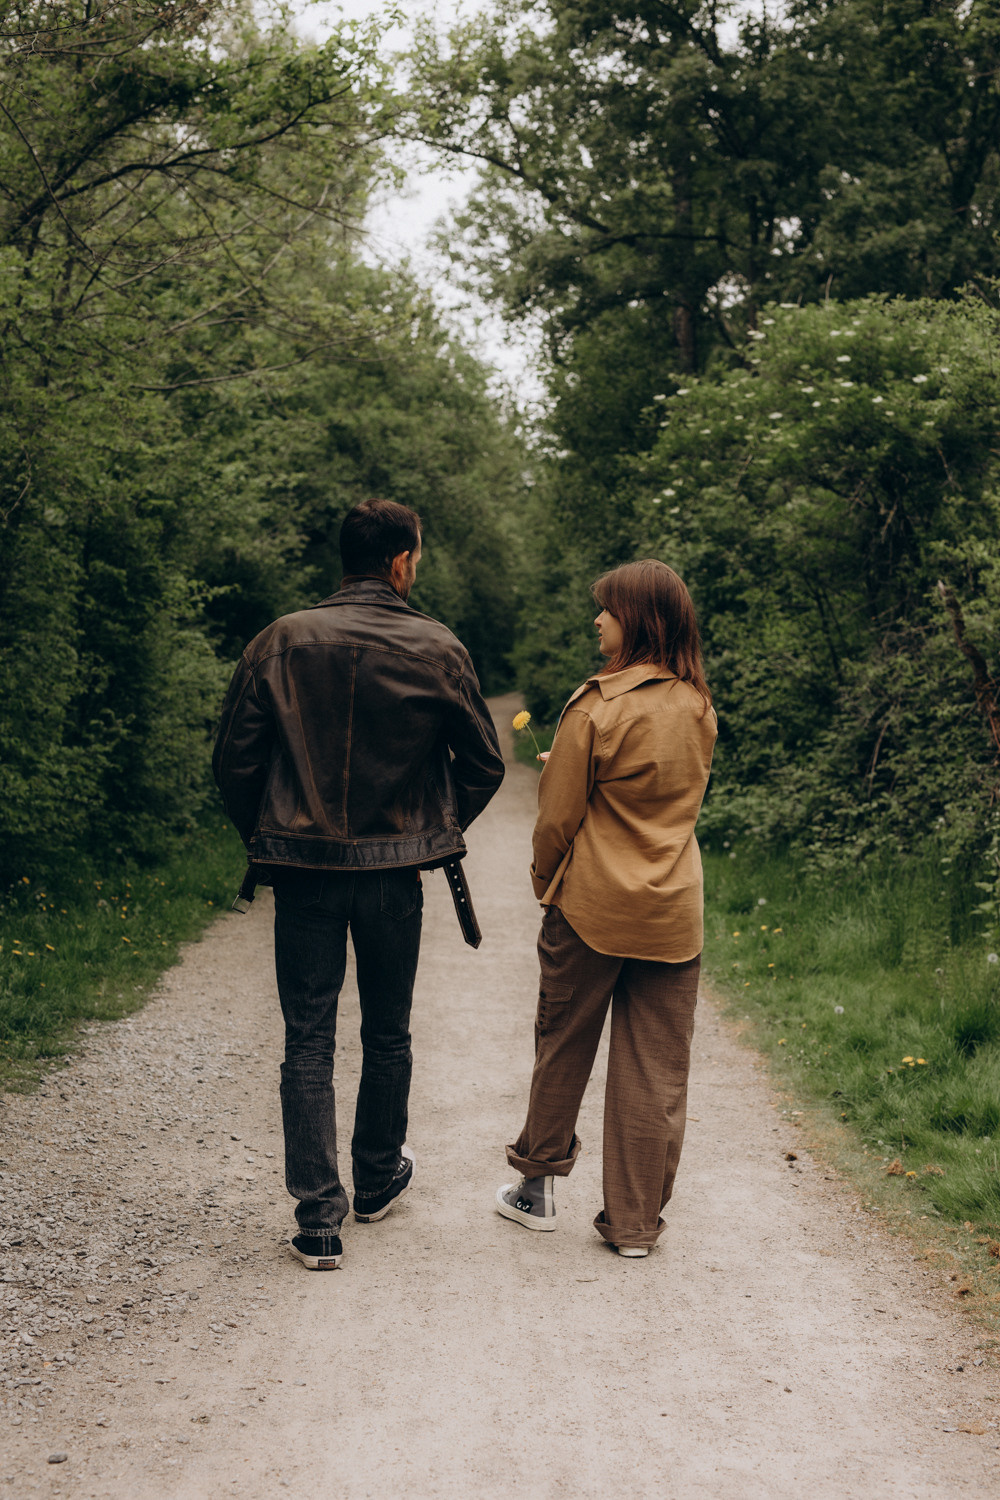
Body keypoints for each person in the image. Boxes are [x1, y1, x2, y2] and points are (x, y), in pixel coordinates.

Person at [214, 499, 504, 1270]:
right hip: (392, 875)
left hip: (304, 871)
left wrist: (270, 838)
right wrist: (426, 828)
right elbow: (484, 764)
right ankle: (375, 1181)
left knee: (307, 1035)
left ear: (346, 558)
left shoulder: (279, 641)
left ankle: (318, 1220)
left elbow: (235, 762)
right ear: (401, 561)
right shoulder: (438, 648)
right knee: (388, 1029)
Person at [496, 559, 716, 1256]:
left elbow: (558, 819)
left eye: (608, 609)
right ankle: (634, 1226)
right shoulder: (698, 706)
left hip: (590, 906)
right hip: (672, 913)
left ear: (637, 619)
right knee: (656, 1070)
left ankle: (535, 1190)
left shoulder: (597, 704)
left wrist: (545, 881)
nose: (598, 619)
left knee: (563, 1043)